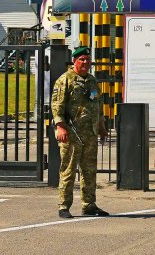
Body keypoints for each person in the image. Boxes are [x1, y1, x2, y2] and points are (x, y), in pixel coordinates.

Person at [51, 46, 109, 218]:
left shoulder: (92, 80)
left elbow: (98, 106)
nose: (85, 62)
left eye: (87, 60)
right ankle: (64, 206)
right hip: (72, 133)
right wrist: (60, 126)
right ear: (74, 61)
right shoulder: (65, 80)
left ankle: (89, 205)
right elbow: (57, 105)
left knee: (89, 170)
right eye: (82, 59)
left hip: (90, 133)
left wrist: (101, 127)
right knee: (68, 170)